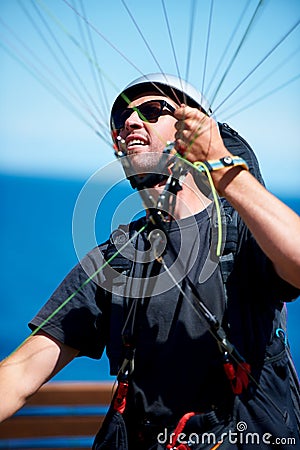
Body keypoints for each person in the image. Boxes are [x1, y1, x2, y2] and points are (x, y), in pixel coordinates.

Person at [0, 73, 300, 450]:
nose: (130, 121)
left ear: (192, 131)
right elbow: (22, 372)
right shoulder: (115, 260)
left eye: (153, 110)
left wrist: (221, 165)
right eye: (122, 118)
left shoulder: (241, 232)